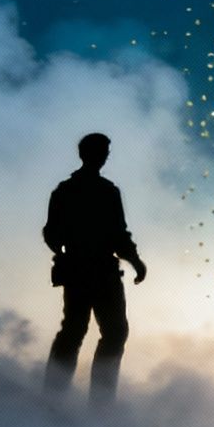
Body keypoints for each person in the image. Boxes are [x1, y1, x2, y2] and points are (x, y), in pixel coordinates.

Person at [42, 132, 147, 405]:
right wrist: (135, 261)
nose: (106, 155)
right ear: (96, 154)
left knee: (77, 330)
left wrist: (65, 251)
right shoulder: (105, 192)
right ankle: (97, 403)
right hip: (99, 273)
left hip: (82, 271)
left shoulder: (66, 191)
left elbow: (51, 234)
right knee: (106, 333)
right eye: (104, 151)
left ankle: (54, 398)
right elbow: (118, 235)